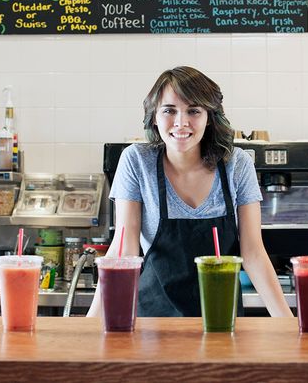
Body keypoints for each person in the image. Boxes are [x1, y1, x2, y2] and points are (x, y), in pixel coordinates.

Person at [87, 66, 292, 318]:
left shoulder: (236, 164)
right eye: (169, 110)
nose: (181, 122)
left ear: (209, 117)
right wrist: (91, 324)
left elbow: (254, 254)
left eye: (193, 111)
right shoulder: (137, 161)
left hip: (221, 319)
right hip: (154, 326)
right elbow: (123, 249)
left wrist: (288, 325)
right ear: (154, 116)